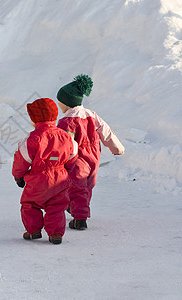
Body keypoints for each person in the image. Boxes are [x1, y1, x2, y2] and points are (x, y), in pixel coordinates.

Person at [56, 74, 125, 230]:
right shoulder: (92, 115)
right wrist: (117, 148)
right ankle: (78, 209)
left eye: (60, 103)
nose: (59, 106)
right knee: (87, 186)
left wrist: (58, 159)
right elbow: (106, 132)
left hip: (77, 159)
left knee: (77, 187)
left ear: (67, 103)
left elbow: (64, 143)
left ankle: (80, 218)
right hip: (94, 157)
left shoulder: (67, 122)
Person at [12, 98, 78, 244]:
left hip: (38, 179)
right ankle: (55, 234)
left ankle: (33, 230)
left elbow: (22, 159)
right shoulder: (66, 137)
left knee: (30, 204)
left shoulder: (32, 139)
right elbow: (73, 155)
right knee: (56, 206)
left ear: (34, 119)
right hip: (60, 178)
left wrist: (18, 176)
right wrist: (66, 169)